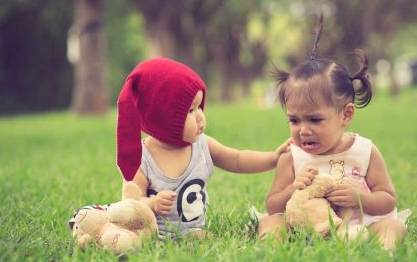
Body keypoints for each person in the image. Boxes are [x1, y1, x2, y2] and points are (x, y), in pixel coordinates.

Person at [257, 19, 408, 250]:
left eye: (315, 119)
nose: (303, 130)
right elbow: (272, 205)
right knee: (271, 222)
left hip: (358, 227)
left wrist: (360, 198)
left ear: (346, 115)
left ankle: (382, 252)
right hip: (305, 226)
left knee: (394, 227)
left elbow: (388, 199)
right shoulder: (291, 156)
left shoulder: (365, 151)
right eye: (294, 120)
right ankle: (269, 251)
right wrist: (292, 189)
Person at [115, 57, 291, 239]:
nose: (200, 117)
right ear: (162, 119)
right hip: (155, 235)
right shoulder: (142, 158)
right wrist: (152, 204)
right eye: (190, 111)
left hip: (195, 232)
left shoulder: (201, 145)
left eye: (199, 107)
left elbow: (237, 160)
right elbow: (131, 205)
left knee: (199, 237)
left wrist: (273, 158)